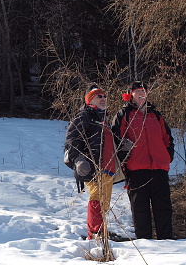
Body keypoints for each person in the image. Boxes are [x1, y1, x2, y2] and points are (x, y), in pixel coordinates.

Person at [111, 81, 175, 240]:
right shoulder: (123, 114)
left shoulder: (156, 115)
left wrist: (167, 156)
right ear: (130, 95)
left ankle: (167, 241)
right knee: (140, 209)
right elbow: (114, 139)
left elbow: (167, 137)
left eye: (143, 91)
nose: (141, 94)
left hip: (159, 167)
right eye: (137, 91)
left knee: (163, 208)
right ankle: (144, 243)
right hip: (136, 168)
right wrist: (124, 154)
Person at [64, 84, 119, 240]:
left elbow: (109, 141)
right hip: (92, 166)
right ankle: (95, 234)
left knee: (104, 202)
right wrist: (79, 159)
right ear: (89, 100)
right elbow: (71, 139)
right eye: (98, 96)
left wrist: (123, 143)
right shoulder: (84, 116)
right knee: (97, 198)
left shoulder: (104, 119)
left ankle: (101, 231)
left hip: (108, 167)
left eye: (104, 96)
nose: (103, 98)